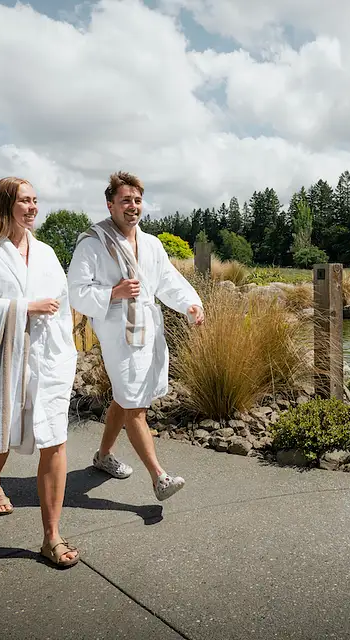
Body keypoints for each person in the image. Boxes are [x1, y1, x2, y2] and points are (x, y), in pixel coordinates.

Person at [0, 176, 80, 569]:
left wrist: (66, 351)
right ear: (4, 205)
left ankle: (51, 536)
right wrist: (25, 307)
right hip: (7, 356)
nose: (33, 208)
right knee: (2, 433)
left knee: (55, 441)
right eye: (24, 201)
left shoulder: (45, 252)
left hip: (50, 357)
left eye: (35, 201)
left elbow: (60, 303)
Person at [67, 171, 205, 502]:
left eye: (138, 200)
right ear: (110, 204)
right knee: (135, 407)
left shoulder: (151, 244)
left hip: (148, 330)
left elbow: (167, 280)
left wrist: (191, 304)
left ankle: (102, 457)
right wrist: (113, 293)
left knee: (124, 397)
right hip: (118, 334)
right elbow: (76, 292)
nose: (133, 206)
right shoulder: (93, 242)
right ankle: (160, 477)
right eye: (126, 200)